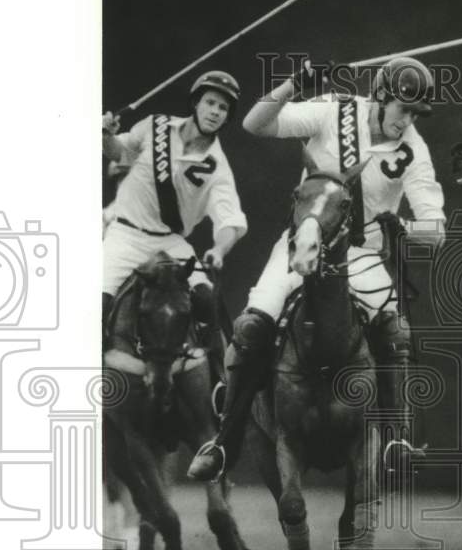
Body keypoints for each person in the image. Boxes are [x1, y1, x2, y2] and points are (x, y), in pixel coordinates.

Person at [187, 56, 446, 482]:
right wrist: (295, 83)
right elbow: (256, 124)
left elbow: (436, 231)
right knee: (251, 327)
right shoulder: (334, 110)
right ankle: (223, 441)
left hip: (362, 256)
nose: (409, 120)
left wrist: (403, 225)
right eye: (404, 109)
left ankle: (396, 439)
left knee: (395, 330)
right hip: (301, 244)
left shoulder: (413, 149)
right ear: (380, 98)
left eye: (417, 113)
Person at [101, 70, 247, 346]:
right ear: (195, 103)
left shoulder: (218, 168)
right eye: (210, 102)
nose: (215, 112)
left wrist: (219, 249)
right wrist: (105, 133)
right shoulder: (154, 126)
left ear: (228, 117)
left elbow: (230, 221)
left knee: (208, 302)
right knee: (95, 306)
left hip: (170, 243)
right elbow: (118, 152)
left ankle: (219, 381)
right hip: (124, 237)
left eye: (223, 108)